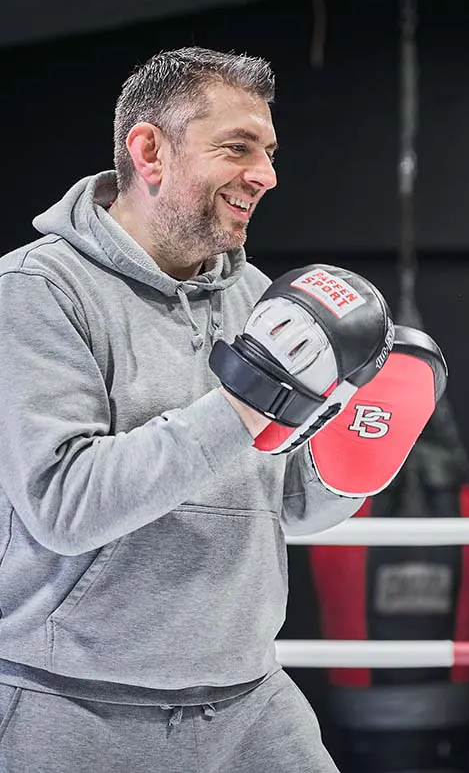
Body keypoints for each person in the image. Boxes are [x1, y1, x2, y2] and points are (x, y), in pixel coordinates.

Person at [0, 47, 370, 772]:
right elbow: (65, 504)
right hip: (73, 704)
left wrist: (361, 457)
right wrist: (244, 400)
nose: (264, 173)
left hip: (250, 700)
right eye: (238, 147)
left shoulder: (259, 296)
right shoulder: (36, 290)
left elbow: (288, 504)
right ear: (150, 152)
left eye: (267, 151)